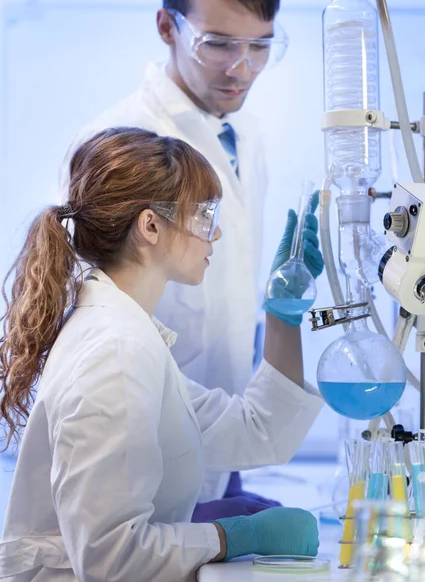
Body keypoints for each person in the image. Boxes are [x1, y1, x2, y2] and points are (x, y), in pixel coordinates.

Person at [0, 127, 324, 581]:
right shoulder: (114, 352)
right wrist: (230, 536)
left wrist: (282, 315)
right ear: (150, 225)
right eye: (204, 215)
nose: (217, 232)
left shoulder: (130, 336)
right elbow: (111, 559)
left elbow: (257, 432)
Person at [59, 0, 297, 515]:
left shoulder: (245, 134)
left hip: (215, 440)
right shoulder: (120, 142)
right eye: (218, 43)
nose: (242, 67)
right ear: (168, 27)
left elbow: (227, 303)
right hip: (138, 442)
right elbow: (87, 311)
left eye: (260, 45)